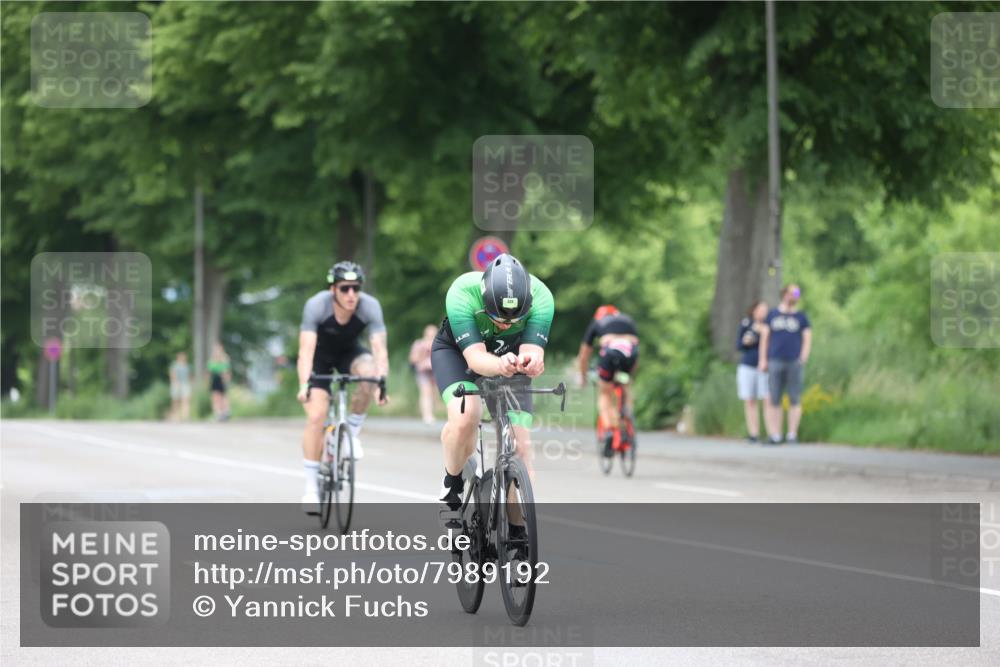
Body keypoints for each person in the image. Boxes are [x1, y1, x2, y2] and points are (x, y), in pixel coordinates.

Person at [432, 254, 553, 518]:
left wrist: (533, 361)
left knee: (521, 448)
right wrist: (500, 365)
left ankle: (519, 535)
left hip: (511, 360)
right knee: (466, 417)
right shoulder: (462, 292)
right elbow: (475, 359)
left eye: (514, 320)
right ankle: (451, 484)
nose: (505, 324)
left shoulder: (542, 297)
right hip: (459, 354)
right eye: (497, 317)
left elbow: (533, 350)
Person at [297, 261, 389, 514]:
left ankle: (352, 432)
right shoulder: (317, 305)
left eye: (355, 288)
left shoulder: (369, 306)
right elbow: (305, 351)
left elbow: (379, 350)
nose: (351, 295)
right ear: (333, 289)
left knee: (369, 374)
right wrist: (304, 384)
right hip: (320, 358)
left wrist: (381, 383)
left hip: (349, 353)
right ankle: (311, 488)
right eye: (345, 288)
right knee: (316, 416)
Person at [576, 305, 640, 457]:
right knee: (626, 387)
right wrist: (630, 376)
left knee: (604, 393)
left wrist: (583, 377)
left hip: (610, 354)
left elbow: (584, 355)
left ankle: (610, 430)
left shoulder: (598, 323)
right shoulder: (628, 320)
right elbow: (637, 350)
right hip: (630, 354)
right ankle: (626, 417)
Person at [758, 284, 812, 445]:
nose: (794, 296)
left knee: (795, 397)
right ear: (784, 294)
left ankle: (792, 434)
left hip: (794, 361)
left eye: (796, 294)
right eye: (791, 293)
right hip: (775, 360)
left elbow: (807, 337)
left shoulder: (801, 317)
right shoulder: (773, 315)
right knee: (774, 398)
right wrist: (763, 359)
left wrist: (803, 357)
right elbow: (765, 338)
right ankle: (775, 434)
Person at [736, 300, 769, 443]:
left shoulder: (768, 326)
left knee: (766, 399)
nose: (763, 312)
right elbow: (739, 345)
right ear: (754, 310)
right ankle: (753, 433)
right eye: (760, 309)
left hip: (764, 367)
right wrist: (747, 341)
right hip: (748, 365)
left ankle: (770, 433)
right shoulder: (746, 324)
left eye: (765, 310)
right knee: (750, 400)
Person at [409, 324, 438, 424]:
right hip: (423, 371)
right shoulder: (419, 344)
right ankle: (427, 416)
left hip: (435, 371)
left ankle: (432, 412)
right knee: (425, 391)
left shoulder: (439, 343)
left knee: (434, 393)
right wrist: (423, 351)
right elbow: (413, 359)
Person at [207, 343, 231, 421]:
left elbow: (227, 370)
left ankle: (225, 412)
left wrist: (227, 379)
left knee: (223, 397)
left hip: (222, 379)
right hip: (215, 378)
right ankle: (218, 414)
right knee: (215, 397)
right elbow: (210, 371)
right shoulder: (212, 359)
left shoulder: (225, 358)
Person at [168, 351, 192, 421]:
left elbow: (189, 375)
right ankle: (176, 416)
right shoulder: (175, 365)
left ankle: (186, 416)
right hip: (177, 384)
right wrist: (175, 382)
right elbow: (172, 374)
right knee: (176, 401)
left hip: (185, 384)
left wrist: (191, 383)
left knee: (186, 400)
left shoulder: (187, 365)